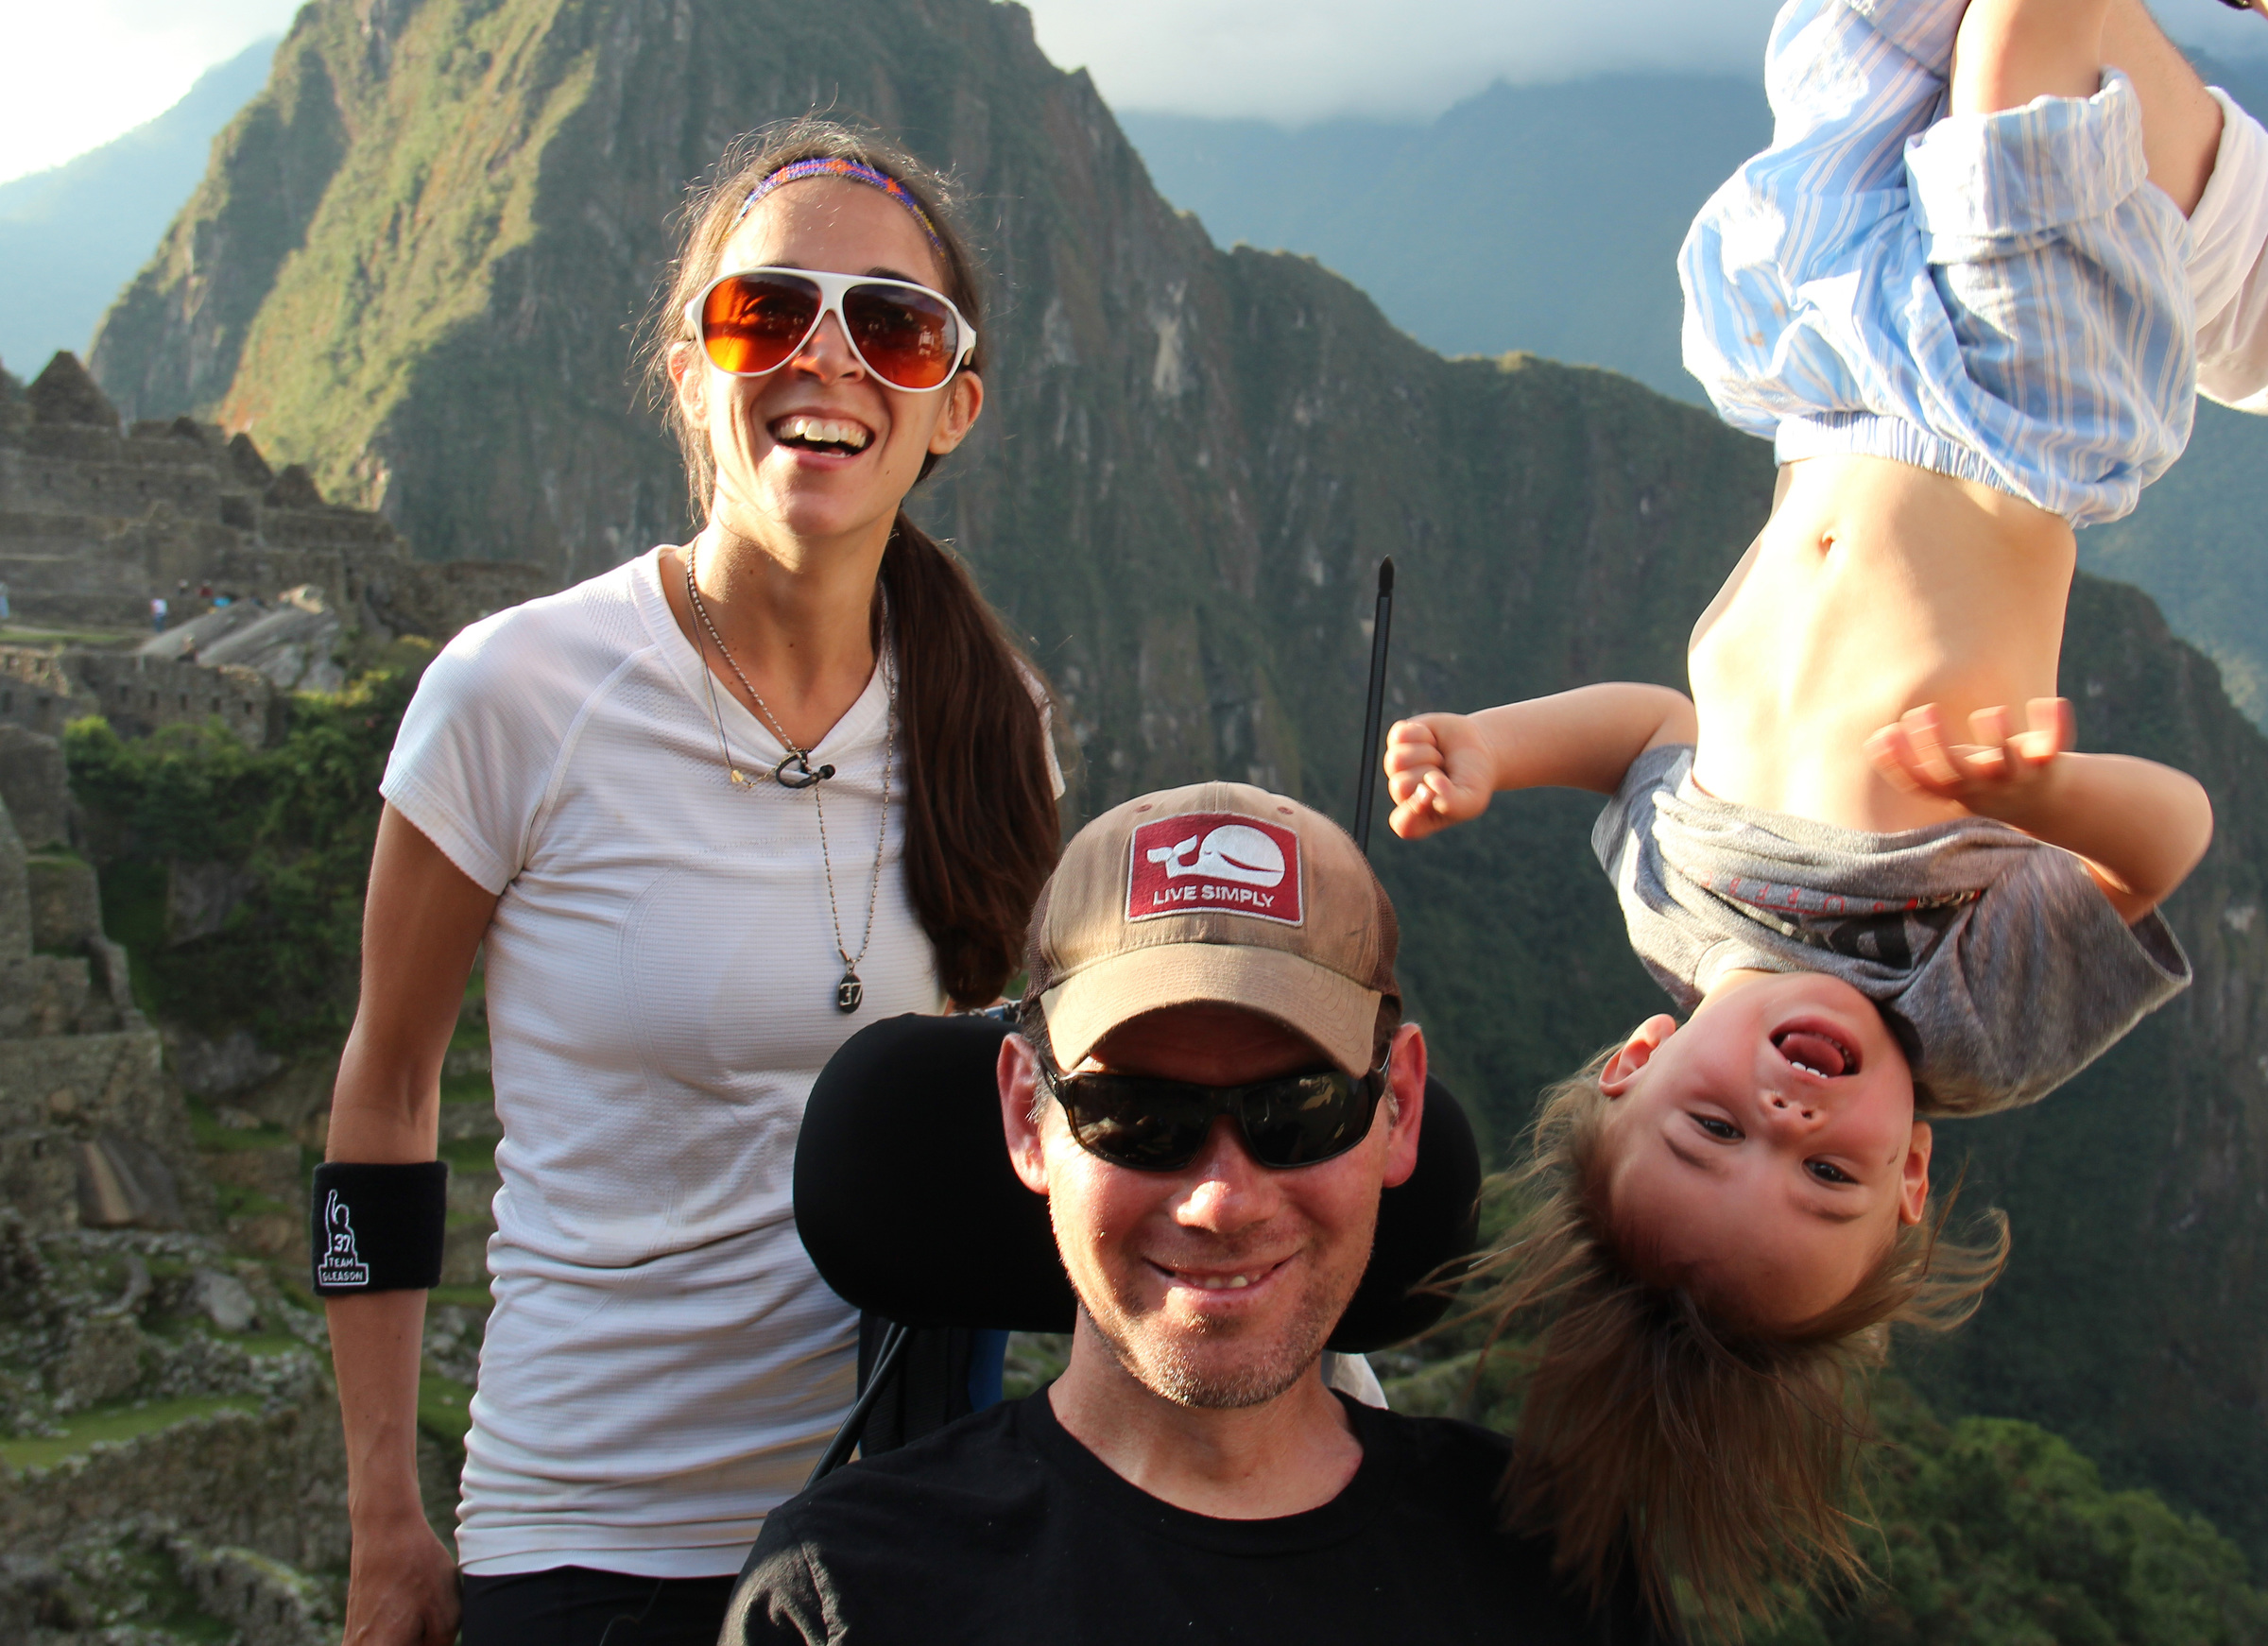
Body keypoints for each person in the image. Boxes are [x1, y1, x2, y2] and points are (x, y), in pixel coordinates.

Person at [1383, 0, 2210, 1625]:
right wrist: (2044, 791)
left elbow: (1653, 731)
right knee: (2011, 58)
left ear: (1635, 1065)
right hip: (2010, 406)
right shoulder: (1966, 1022)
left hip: (1818, 382)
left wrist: (1498, 744)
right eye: (1830, 1179)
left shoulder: (1670, 906)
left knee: (1848, 37)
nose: (1793, 1118)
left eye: (1713, 1131)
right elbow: (2168, 842)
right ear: (1908, 1178)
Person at [316, 122, 1061, 1646]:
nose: (829, 360)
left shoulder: (993, 725)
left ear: (951, 404)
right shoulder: (517, 692)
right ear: (688, 370)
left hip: (898, 1535)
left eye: (894, 327)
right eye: (767, 312)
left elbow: (1042, 1108)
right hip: (589, 1534)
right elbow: (385, 1096)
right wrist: (385, 1511)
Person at [724, 781, 1660, 1645]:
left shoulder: (1554, 1568)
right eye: (1136, 1115)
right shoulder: (847, 1593)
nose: (1224, 1198)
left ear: (1401, 1108)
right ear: (1025, 1114)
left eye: (1299, 1112)